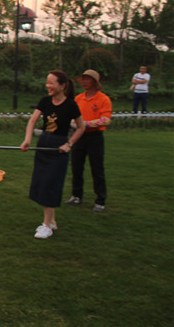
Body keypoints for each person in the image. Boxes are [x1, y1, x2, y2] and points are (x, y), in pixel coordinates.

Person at [21, 70, 85, 239]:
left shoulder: (71, 105)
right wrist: (27, 140)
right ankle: (52, 221)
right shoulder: (45, 101)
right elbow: (32, 121)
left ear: (62, 86)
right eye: (47, 82)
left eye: (51, 83)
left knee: (50, 184)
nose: (47, 86)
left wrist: (69, 144)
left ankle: (46, 226)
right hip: (43, 144)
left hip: (59, 147)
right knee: (42, 183)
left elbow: (81, 127)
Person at [66, 69, 112, 212]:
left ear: (95, 82)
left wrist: (86, 124)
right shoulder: (79, 98)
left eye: (88, 79)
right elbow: (72, 115)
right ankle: (76, 195)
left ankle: (100, 200)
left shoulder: (103, 99)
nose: (85, 82)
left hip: (95, 137)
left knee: (97, 169)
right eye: (83, 79)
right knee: (76, 167)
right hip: (79, 136)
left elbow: (106, 120)